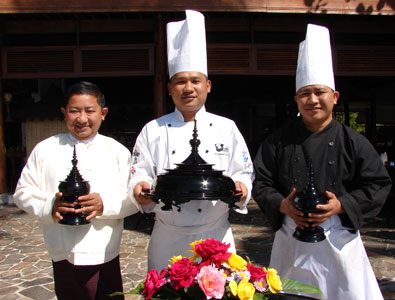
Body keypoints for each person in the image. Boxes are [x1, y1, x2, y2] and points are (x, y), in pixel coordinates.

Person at [252, 24, 391, 300]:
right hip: (292, 240)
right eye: (304, 93)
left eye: (319, 92)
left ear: (335, 97)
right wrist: (283, 205)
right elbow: (261, 181)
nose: (312, 100)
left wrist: (341, 205)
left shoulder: (353, 142)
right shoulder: (278, 141)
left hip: (340, 240)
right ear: (296, 99)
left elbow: (378, 184)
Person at [128, 10, 254, 271]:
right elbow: (138, 173)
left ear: (208, 85)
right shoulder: (153, 129)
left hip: (216, 236)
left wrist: (241, 186)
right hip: (167, 236)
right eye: (180, 81)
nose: (188, 88)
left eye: (195, 81)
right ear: (169, 87)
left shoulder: (226, 127)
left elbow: (244, 171)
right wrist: (138, 188)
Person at [13, 81, 138, 300]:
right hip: (61, 249)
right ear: (64, 113)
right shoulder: (46, 149)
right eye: (74, 111)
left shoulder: (117, 152)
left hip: (103, 251)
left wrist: (103, 205)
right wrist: (50, 204)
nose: (82, 119)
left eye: (90, 111)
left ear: (103, 113)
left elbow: (133, 199)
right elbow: (23, 192)